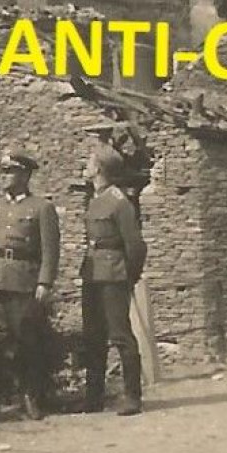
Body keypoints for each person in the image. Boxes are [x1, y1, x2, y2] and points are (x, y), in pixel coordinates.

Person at [0, 150, 60, 421]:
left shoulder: (41, 208)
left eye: (10, 172)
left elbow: (50, 250)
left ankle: (31, 395)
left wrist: (45, 282)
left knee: (25, 340)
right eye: (3, 171)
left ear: (24, 175)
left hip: (24, 281)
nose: (4, 176)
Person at [79, 143, 148, 416]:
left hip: (113, 276)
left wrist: (128, 276)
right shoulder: (94, 199)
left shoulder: (120, 202)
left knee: (120, 335)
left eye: (89, 161)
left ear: (100, 168)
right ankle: (93, 397)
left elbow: (136, 246)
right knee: (93, 336)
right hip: (92, 275)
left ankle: (132, 396)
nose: (85, 165)